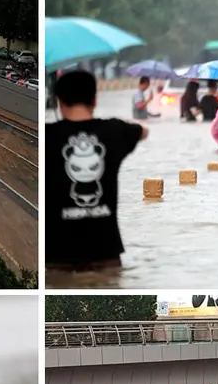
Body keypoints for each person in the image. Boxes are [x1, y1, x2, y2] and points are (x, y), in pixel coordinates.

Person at [45, 69, 148, 271]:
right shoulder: (115, 131)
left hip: (58, 256)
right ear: (94, 100)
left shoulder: (48, 137)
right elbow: (144, 131)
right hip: (106, 253)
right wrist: (125, 127)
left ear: (59, 101)